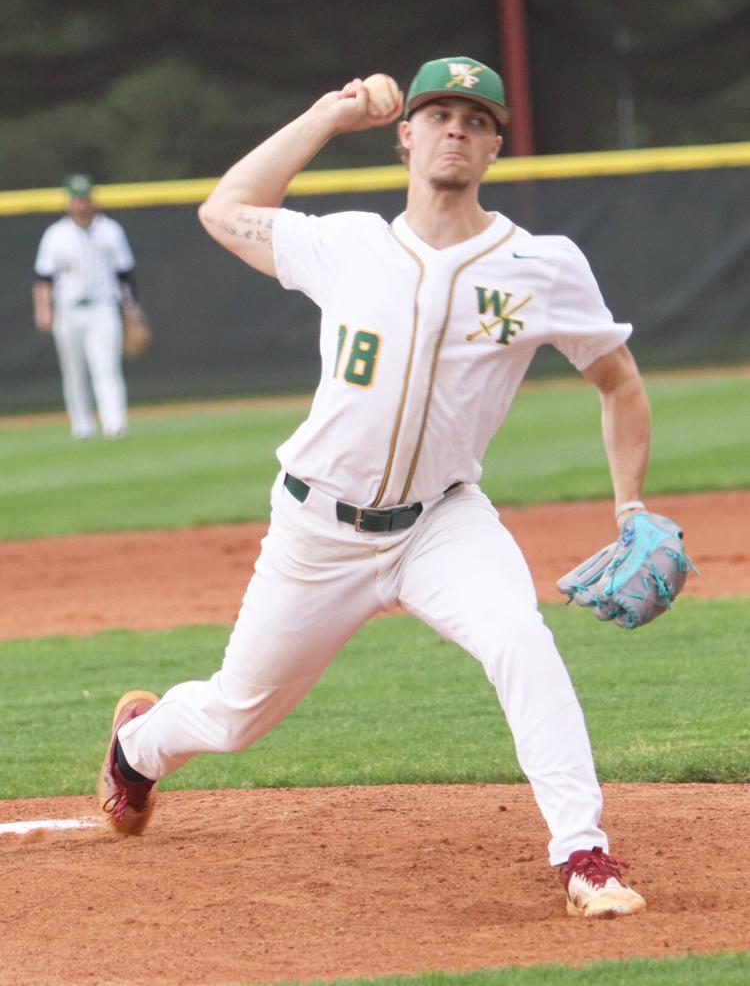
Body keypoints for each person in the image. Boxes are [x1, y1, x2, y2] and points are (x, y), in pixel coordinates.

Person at [98, 57, 653, 918]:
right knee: (236, 715)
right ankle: (137, 750)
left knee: (519, 637)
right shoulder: (347, 243)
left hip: (442, 521)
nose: (455, 131)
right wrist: (327, 114)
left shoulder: (542, 264)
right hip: (319, 528)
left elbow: (619, 381)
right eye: (438, 115)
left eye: (475, 119)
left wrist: (630, 508)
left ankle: (583, 851)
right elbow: (222, 210)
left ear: (497, 144)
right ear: (406, 135)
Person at [32, 173, 140, 439]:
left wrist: (132, 310)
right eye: (76, 199)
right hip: (68, 310)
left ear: (92, 200)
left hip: (104, 308)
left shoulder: (111, 230)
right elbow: (43, 278)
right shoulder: (55, 235)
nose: (81, 204)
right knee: (74, 371)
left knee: (107, 366)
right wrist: (43, 309)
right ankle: (82, 425)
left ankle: (115, 423)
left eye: (85, 198)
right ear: (69, 202)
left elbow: (126, 275)